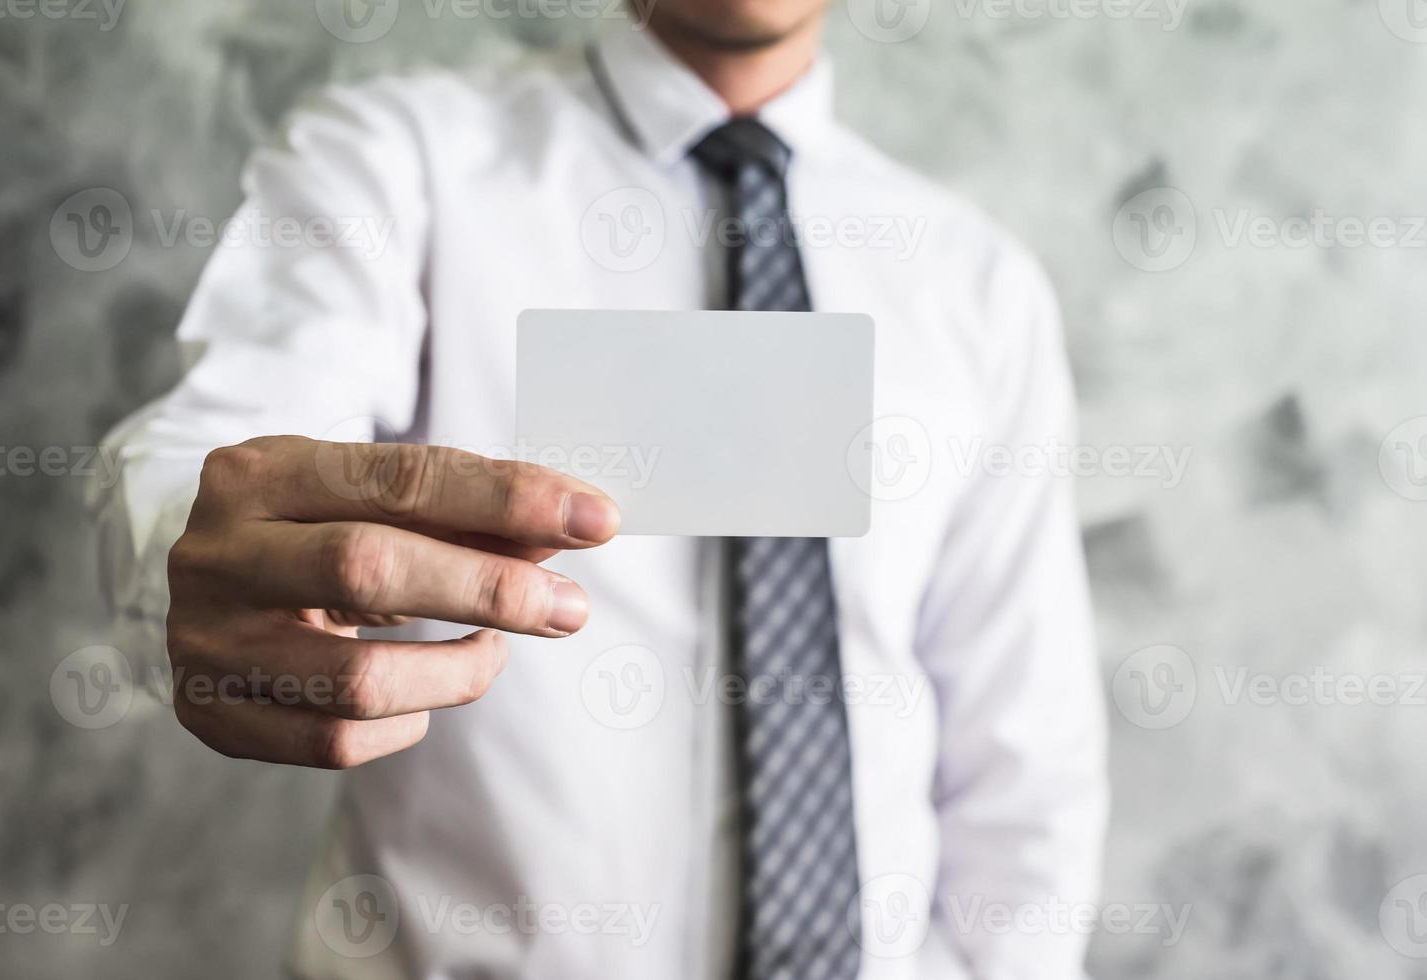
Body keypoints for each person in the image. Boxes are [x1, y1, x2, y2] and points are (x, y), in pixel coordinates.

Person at [95, 0, 1108, 975]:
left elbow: (1023, 755)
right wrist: (196, 551)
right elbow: (226, 443)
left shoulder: (978, 288)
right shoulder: (400, 164)